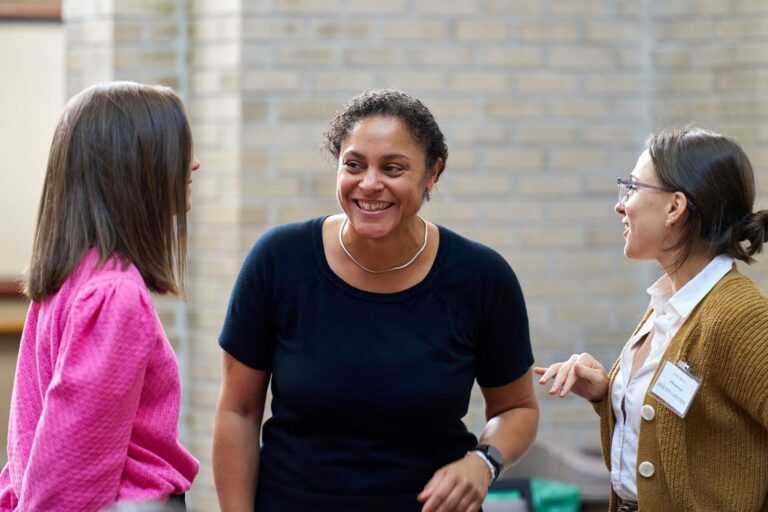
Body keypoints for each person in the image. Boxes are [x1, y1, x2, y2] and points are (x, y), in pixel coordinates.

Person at [213, 89, 539, 512]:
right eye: (353, 165)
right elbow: (238, 412)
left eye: (392, 168)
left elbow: (517, 408)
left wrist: (483, 461)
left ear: (432, 173)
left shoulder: (482, 278)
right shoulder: (278, 261)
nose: (369, 184)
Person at [536, 127, 768, 512]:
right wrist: (607, 393)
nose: (620, 205)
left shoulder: (739, 315)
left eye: (632, 187)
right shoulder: (669, 299)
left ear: (675, 207)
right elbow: (690, 427)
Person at [0, 82, 200, 511]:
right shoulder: (114, 294)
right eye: (181, 149)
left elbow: (29, 446)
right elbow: (68, 471)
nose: (194, 164)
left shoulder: (69, 278)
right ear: (136, 165)